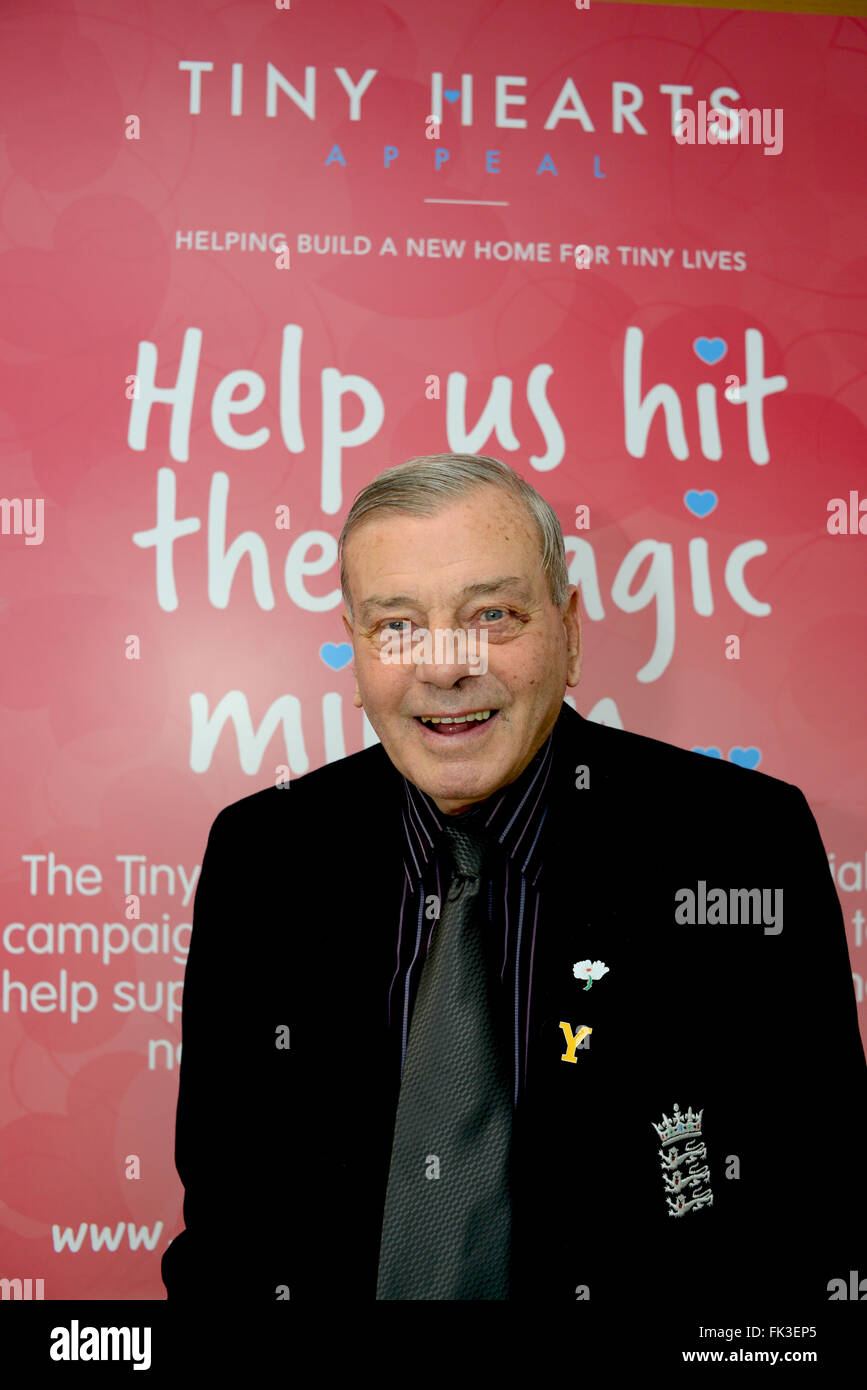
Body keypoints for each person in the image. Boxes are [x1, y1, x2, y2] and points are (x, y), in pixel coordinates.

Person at [162, 452, 866, 1311]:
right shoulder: (262, 856)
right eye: (397, 625)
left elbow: (814, 1208)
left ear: (569, 631)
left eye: (491, 614)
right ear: (353, 647)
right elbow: (229, 1219)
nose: (445, 666)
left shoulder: (740, 844)